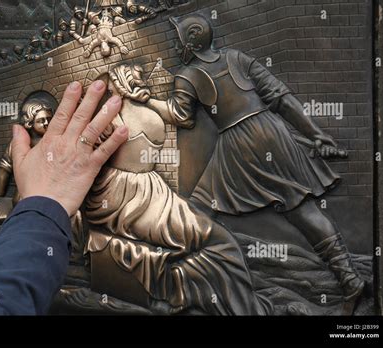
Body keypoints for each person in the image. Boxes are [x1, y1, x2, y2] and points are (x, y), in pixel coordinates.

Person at [131, 13, 365, 312]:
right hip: (273, 132)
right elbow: (281, 98)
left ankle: (186, 284)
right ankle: (349, 279)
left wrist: (146, 99)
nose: (177, 47)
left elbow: (181, 116)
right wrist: (316, 134)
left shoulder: (187, 75)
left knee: (200, 209)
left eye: (178, 39)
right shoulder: (237, 58)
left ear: (190, 41)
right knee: (301, 208)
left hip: (238, 143)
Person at [85, 64, 272, 315]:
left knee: (212, 240)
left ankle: (210, 295)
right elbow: (181, 117)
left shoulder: (112, 119)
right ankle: (225, 300)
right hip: (130, 197)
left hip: (131, 192)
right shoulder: (143, 115)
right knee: (218, 241)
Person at [0, 80, 129, 315]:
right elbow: (5, 166)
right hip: (30, 200)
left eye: (47, 119)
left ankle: (70, 256)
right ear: (29, 123)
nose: (45, 123)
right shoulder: (19, 145)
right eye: (40, 120)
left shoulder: (56, 139)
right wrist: (16, 197)